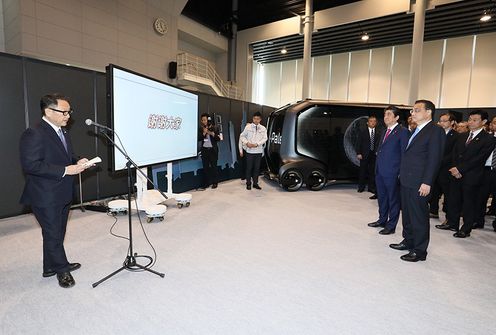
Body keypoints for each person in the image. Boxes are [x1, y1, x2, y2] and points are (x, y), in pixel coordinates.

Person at [19, 93, 91, 288]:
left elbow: (65, 156)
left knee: (57, 232)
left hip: (62, 192)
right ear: (49, 111)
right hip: (45, 195)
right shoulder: (34, 133)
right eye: (64, 112)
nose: (68, 116)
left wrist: (78, 161)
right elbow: (31, 165)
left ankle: (49, 267)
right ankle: (62, 270)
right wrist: (66, 170)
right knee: (52, 233)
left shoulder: (62, 131)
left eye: (69, 112)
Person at [390, 99, 445, 262]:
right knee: (407, 214)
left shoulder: (435, 131)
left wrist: (427, 182)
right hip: (407, 180)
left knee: (418, 217)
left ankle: (420, 250)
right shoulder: (416, 130)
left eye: (416, 110)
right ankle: (408, 241)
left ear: (428, 112)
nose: (412, 113)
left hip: (420, 182)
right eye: (412, 110)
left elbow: (434, 159)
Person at [440, 110, 493, 238]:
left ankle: (466, 228)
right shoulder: (462, 136)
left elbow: (480, 158)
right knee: (453, 200)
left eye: (475, 120)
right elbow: (455, 154)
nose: (471, 122)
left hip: (472, 175)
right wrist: (454, 168)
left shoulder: (489, 139)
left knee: (469, 203)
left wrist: (460, 169)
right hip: (455, 173)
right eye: (470, 119)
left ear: (484, 122)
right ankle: (452, 223)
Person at [367, 106, 408, 235]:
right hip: (380, 171)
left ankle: (391, 225)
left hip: (393, 172)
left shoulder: (403, 132)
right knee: (382, 198)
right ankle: (382, 220)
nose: (386, 117)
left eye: (389, 114)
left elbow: (404, 154)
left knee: (393, 200)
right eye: (385, 114)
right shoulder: (384, 131)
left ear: (397, 117)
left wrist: (400, 173)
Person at [429, 112, 459, 221]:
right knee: (434, 190)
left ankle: (448, 217)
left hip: (447, 169)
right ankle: (433, 211)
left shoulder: (456, 136)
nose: (441, 123)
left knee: (448, 194)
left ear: (452, 122)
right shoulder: (435, 133)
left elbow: (453, 153)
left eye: (444, 121)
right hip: (434, 168)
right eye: (440, 120)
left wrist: (439, 161)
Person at [473, 117, 496, 229]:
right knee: (481, 197)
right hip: (486, 170)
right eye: (494, 122)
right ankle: (478, 220)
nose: (494, 124)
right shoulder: (487, 138)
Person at [239, 112, 267, 190]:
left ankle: (255, 183)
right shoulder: (248, 127)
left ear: (260, 119)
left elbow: (265, 138)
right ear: (252, 118)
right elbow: (242, 136)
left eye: (257, 119)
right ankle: (248, 183)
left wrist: (257, 144)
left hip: (258, 151)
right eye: (254, 118)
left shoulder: (263, 128)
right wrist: (247, 143)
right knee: (249, 168)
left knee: (256, 168)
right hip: (249, 152)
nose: (256, 120)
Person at [356, 115, 381, 199]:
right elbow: (358, 143)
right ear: (367, 123)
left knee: (372, 172)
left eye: (374, 121)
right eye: (371, 121)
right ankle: (361, 187)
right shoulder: (362, 131)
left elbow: (380, 143)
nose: (373, 122)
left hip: (374, 154)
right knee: (362, 171)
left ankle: (371, 188)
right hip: (364, 154)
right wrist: (358, 153)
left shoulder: (379, 131)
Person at [198, 113, 222, 190]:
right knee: (205, 168)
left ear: (208, 120)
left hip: (212, 151)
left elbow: (219, 139)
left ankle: (215, 182)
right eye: (202, 120)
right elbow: (199, 138)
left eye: (205, 120)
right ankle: (206, 183)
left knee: (214, 167)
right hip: (205, 150)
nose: (204, 121)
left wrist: (212, 134)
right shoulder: (200, 128)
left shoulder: (215, 127)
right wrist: (204, 133)